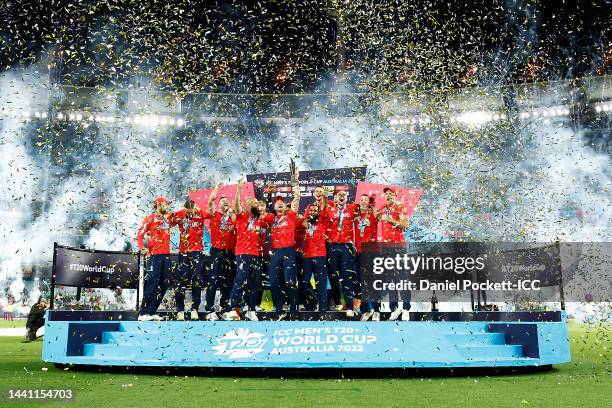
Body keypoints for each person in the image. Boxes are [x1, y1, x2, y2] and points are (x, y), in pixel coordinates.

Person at [222, 179, 266, 321]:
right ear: (245, 206)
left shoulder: (259, 219)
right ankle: (232, 309)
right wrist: (239, 189)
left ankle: (251, 309)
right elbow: (236, 204)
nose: (254, 205)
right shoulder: (241, 216)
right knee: (240, 281)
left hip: (256, 254)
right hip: (242, 254)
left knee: (255, 283)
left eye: (255, 203)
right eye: (251, 203)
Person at [261, 177, 301, 320]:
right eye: (277, 203)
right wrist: (269, 195)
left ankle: (294, 310)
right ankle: (279, 309)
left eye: (281, 203)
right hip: (276, 253)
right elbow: (263, 210)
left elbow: (296, 200)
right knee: (274, 282)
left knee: (290, 282)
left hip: (289, 251)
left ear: (285, 206)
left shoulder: (290, 215)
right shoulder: (272, 218)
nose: (279, 204)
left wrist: (295, 184)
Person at [136, 197, 174, 321]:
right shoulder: (149, 219)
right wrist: (142, 248)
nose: (167, 207)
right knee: (152, 284)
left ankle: (152, 312)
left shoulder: (168, 218)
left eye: (167, 205)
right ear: (158, 205)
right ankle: (143, 313)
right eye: (164, 204)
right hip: (154, 256)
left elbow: (181, 215)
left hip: (166, 255)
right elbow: (140, 235)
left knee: (164, 284)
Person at [203, 183, 237, 321]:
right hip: (216, 251)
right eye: (222, 201)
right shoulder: (214, 214)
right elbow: (210, 201)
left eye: (227, 201)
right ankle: (210, 309)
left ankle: (224, 309)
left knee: (228, 281)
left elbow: (237, 210)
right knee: (213, 280)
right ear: (218, 205)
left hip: (229, 252)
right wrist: (216, 188)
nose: (225, 202)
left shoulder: (232, 217)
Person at [170, 198, 206, 320]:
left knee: (197, 280)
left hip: (197, 252)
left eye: (192, 210)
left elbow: (212, 213)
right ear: (185, 208)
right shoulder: (180, 213)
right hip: (183, 252)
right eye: (188, 211)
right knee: (181, 280)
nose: (190, 213)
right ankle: (180, 310)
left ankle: (194, 309)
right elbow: (168, 222)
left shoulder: (200, 213)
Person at [327, 188, 361, 317]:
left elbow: (364, 211)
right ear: (335, 198)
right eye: (339, 195)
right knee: (334, 276)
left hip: (347, 246)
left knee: (347, 276)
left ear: (347, 198)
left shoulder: (352, 208)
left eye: (344, 195)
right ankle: (338, 302)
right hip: (333, 246)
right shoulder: (329, 209)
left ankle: (350, 306)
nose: (341, 197)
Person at [379, 186, 411, 321]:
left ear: (395, 195)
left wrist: (390, 219)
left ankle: (406, 308)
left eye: (390, 193)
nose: (388, 195)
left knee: (402, 277)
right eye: (386, 194)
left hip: (398, 246)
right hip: (386, 248)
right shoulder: (382, 209)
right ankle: (394, 308)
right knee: (390, 279)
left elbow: (406, 224)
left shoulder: (400, 206)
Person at [355, 194, 381, 321]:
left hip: (372, 251)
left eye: (366, 199)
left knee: (373, 281)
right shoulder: (355, 216)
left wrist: (373, 206)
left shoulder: (373, 214)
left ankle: (377, 310)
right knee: (361, 282)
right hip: (359, 252)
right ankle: (366, 310)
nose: (363, 201)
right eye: (362, 200)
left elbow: (378, 214)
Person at [301, 203, 330, 316]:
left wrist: (325, 198)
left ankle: (322, 310)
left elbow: (325, 209)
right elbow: (303, 225)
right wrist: (306, 220)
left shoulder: (322, 222)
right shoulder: (304, 222)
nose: (312, 212)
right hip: (307, 257)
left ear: (318, 213)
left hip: (320, 256)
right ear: (308, 212)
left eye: (315, 210)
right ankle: (312, 303)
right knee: (304, 283)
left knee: (321, 284)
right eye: (311, 210)